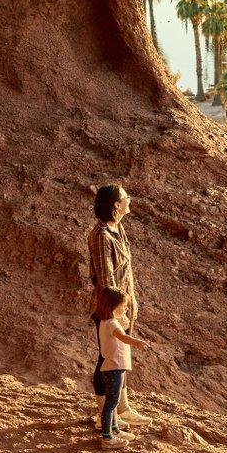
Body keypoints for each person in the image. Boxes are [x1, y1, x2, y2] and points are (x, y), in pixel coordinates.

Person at [87, 183, 139, 436]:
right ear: (117, 205)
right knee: (107, 359)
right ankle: (103, 415)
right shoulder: (101, 236)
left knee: (120, 357)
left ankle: (122, 408)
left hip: (123, 304)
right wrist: (117, 312)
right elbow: (106, 279)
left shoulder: (117, 228)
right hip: (110, 308)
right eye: (126, 197)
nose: (129, 200)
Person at [94, 286, 135, 444]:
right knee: (111, 403)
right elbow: (123, 337)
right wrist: (138, 343)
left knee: (113, 401)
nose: (125, 309)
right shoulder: (111, 323)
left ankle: (114, 429)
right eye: (123, 306)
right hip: (114, 367)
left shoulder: (109, 322)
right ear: (112, 306)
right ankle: (107, 437)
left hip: (116, 366)